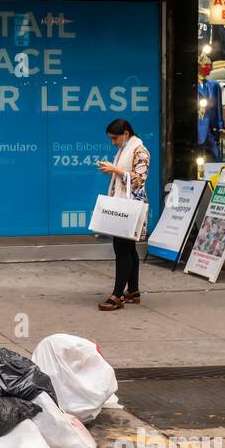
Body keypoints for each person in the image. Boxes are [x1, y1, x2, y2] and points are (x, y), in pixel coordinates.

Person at [96, 118, 150, 311]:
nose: (113, 142)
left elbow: (139, 180)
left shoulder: (141, 151)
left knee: (122, 250)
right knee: (128, 248)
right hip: (125, 206)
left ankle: (117, 295)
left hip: (130, 208)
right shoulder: (125, 150)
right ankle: (133, 290)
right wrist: (113, 170)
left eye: (115, 138)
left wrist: (115, 169)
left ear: (126, 133)